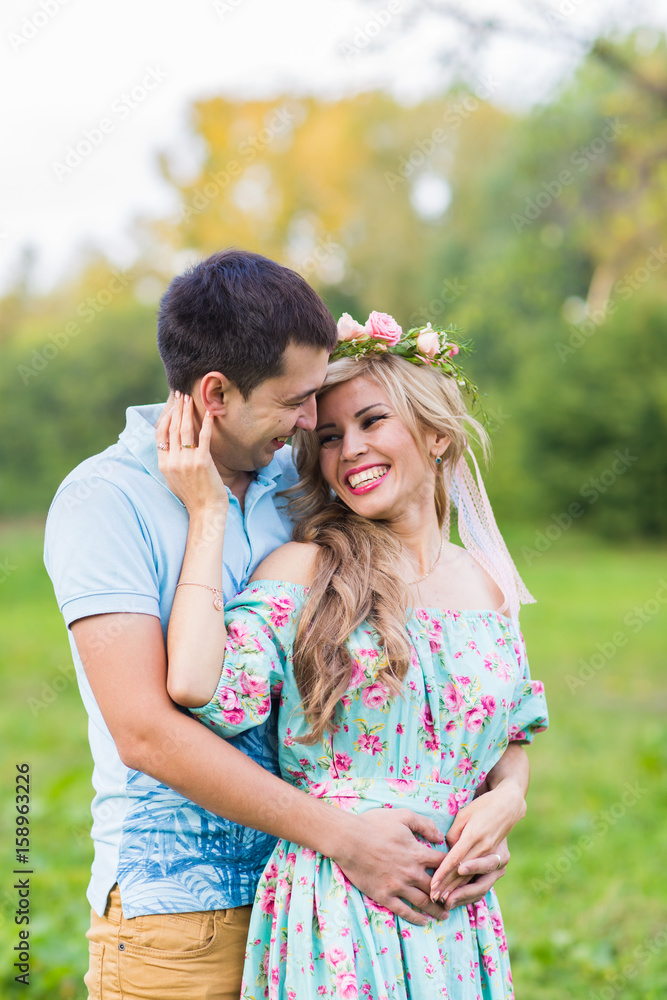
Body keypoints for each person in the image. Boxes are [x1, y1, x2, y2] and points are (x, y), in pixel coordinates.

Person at [44, 253, 522, 1000]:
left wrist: (501, 799)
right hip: (187, 908)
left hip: (348, 893)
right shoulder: (106, 501)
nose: (314, 429)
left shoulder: (293, 487)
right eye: (299, 404)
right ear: (216, 394)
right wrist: (344, 838)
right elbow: (147, 730)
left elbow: (463, 704)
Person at [158, 310, 549, 999]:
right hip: (336, 903)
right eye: (331, 436)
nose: (350, 451)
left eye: (372, 422)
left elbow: (506, 733)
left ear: (434, 434)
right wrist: (206, 513)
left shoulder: (486, 583)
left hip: (454, 914)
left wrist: (508, 800)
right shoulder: (306, 569)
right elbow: (193, 682)